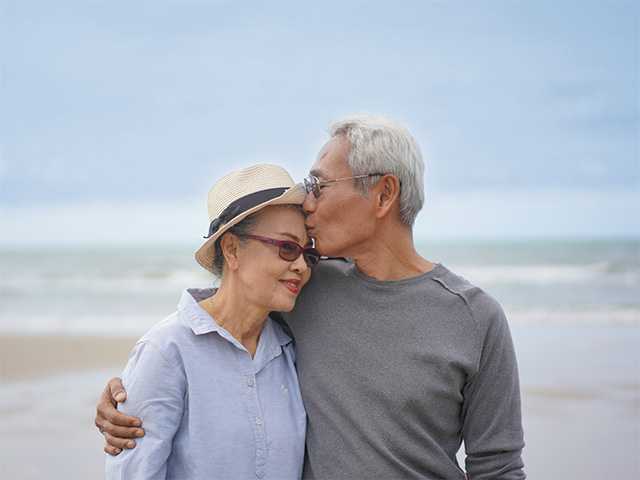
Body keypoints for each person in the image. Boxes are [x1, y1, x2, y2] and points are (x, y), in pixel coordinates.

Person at [96, 115, 526, 479]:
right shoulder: (305, 291)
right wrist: (134, 391)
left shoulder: (475, 317)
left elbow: (499, 467)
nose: (309, 205)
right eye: (288, 248)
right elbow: (222, 315)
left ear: (383, 194)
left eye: (318, 186)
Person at [103, 164, 320, 479]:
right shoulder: (166, 350)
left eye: (307, 254)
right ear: (231, 249)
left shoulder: (291, 350)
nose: (301, 266)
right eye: (287, 248)